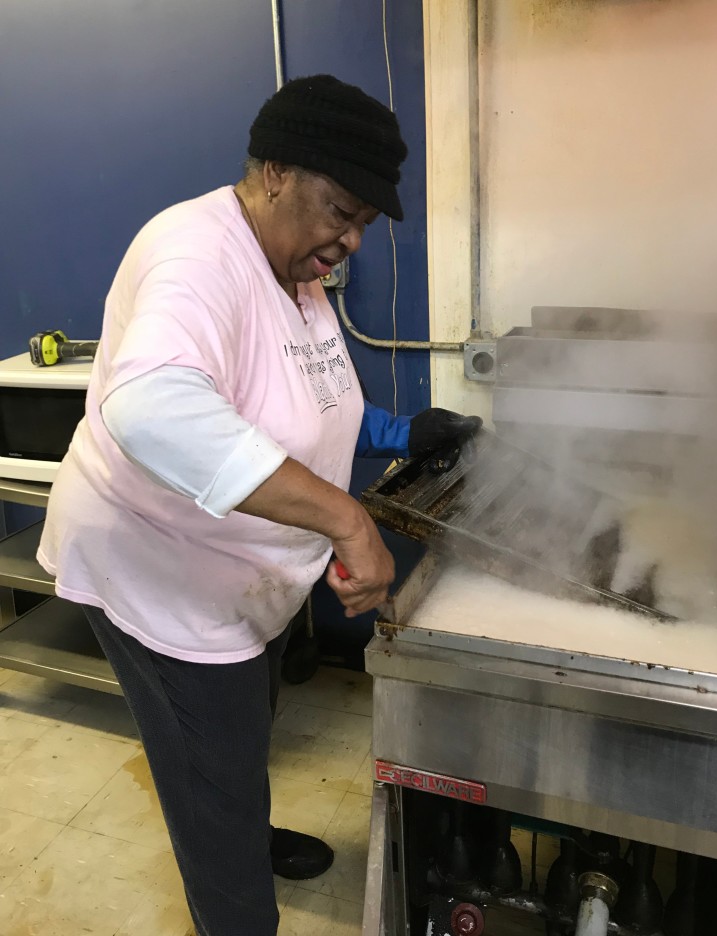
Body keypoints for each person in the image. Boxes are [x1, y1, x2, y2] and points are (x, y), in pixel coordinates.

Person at [37, 74, 481, 936]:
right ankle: (237, 892)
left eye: (362, 225)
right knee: (213, 775)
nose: (349, 240)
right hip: (162, 577)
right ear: (275, 170)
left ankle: (246, 819)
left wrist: (400, 431)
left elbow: (302, 405)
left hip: (245, 579)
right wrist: (349, 519)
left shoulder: (294, 265)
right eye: (341, 211)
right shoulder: (196, 253)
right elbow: (153, 406)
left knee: (242, 737)